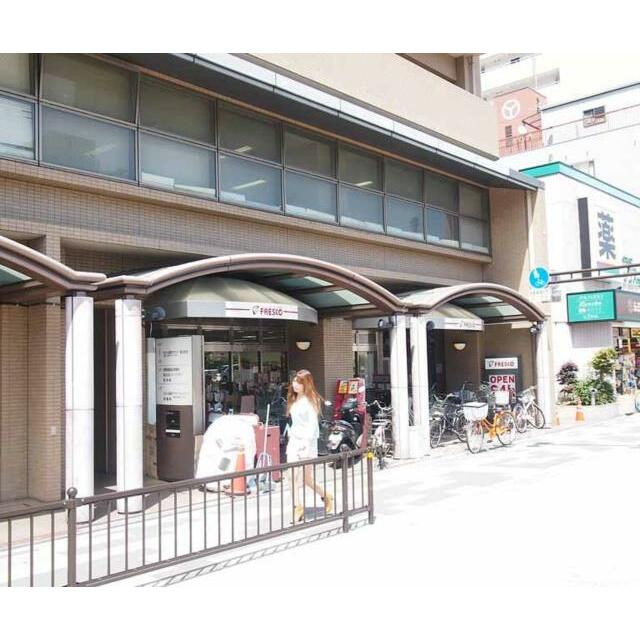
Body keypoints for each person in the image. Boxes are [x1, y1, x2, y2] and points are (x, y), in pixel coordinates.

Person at [286, 369, 333, 522]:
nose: (295, 385)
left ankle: (326, 495)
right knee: (292, 475)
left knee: (306, 479)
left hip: (307, 442)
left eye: (299, 382)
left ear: (306, 384)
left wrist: (305, 444)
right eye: (294, 381)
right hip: (294, 441)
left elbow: (312, 425)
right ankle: (297, 507)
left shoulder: (310, 400)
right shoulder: (294, 399)